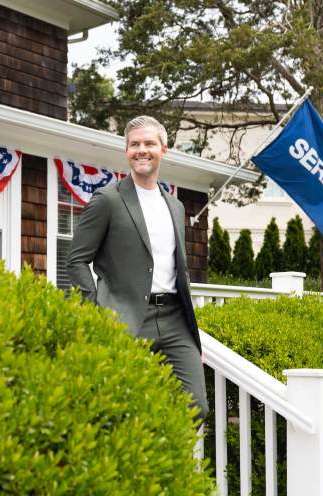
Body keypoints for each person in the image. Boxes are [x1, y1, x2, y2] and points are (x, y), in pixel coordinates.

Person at [66, 115, 209, 420]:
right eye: (134, 144)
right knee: (118, 408)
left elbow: (178, 270)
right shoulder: (108, 199)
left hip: (174, 320)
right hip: (125, 317)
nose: (141, 150)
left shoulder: (175, 205)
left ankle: (163, 463)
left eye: (149, 143)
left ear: (164, 149)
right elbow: (77, 259)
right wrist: (96, 309)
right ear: (126, 151)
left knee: (196, 404)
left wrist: (192, 334)